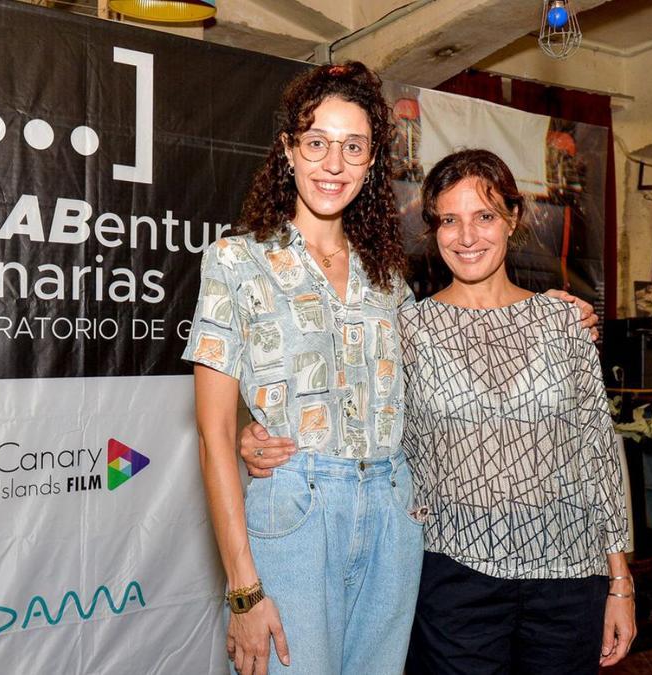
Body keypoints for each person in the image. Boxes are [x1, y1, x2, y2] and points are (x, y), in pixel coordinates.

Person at [240, 149, 631, 673]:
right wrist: (256, 434)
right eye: (450, 219)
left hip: (569, 581)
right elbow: (348, 409)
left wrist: (620, 583)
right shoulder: (406, 327)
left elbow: (599, 456)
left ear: (512, 218)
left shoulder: (563, 321)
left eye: (484, 216)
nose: (467, 237)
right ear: (432, 229)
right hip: (454, 581)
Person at [183, 62, 423, 675]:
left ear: (372, 163)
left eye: (353, 147)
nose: (333, 164)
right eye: (316, 142)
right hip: (294, 509)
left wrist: (548, 312)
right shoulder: (236, 260)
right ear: (288, 149)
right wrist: (242, 590)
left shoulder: (389, 278)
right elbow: (213, 434)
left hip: (394, 510)